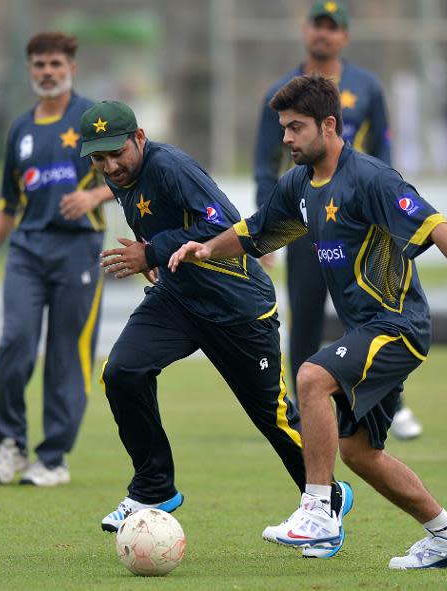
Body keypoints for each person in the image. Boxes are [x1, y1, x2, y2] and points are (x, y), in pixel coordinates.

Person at [169, 75, 447, 567]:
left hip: (398, 326)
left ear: (329, 126)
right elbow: (256, 232)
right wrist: (206, 248)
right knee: (359, 454)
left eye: (296, 128)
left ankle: (318, 511)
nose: (285, 138)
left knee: (311, 377)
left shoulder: (372, 178)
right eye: (283, 128)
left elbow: (435, 224)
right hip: (365, 330)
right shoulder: (299, 185)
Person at [77, 100, 344, 543]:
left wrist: (153, 251)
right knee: (123, 373)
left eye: (117, 152)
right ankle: (153, 488)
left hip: (238, 308)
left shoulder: (170, 166)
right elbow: (163, 222)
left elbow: (223, 222)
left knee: (273, 418)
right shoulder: (122, 176)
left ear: (139, 138)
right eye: (99, 158)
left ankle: (324, 497)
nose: (110, 165)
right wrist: (154, 257)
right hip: (178, 300)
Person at [254, 1, 423, 440]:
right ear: (304, 29)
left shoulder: (366, 86)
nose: (324, 34)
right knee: (305, 316)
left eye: (333, 27)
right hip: (306, 223)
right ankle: (303, 409)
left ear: (345, 36)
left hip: (359, 228)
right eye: (317, 25)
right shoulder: (282, 93)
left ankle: (392, 404)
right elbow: (264, 165)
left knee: (370, 314)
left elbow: (384, 154)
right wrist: (267, 236)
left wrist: (388, 216)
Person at [0, 32, 114, 487]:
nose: (47, 72)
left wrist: (93, 193)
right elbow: (9, 201)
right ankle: (6, 445)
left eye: (55, 63)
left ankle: (52, 458)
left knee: (67, 356)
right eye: (39, 65)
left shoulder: (93, 120)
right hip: (27, 252)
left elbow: (133, 174)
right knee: (14, 340)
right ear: (30, 70)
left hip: (79, 250)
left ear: (72, 67)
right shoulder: (20, 129)